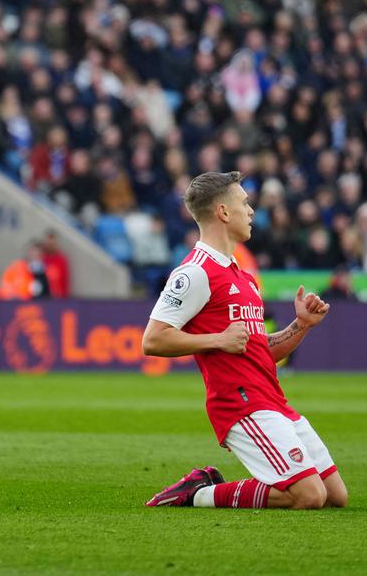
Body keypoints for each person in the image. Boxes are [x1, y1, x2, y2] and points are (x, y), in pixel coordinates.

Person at [142, 171, 347, 510]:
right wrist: (217, 339)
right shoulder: (194, 272)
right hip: (240, 403)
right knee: (309, 496)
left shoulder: (243, 275)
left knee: (336, 497)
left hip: (272, 398)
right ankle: (197, 494)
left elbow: (259, 349)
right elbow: (153, 340)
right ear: (223, 212)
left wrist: (302, 325)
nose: (251, 211)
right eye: (245, 203)